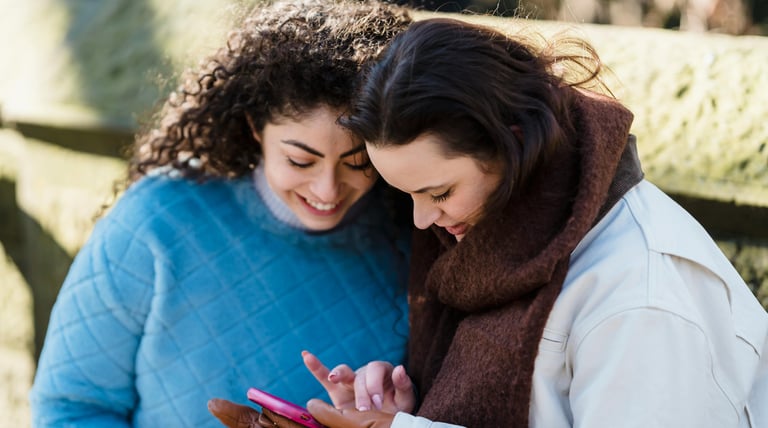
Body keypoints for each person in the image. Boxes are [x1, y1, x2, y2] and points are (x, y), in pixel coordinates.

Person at [298, 17, 768, 428]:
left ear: (512, 143)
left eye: (439, 193)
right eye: (408, 197)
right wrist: (410, 407)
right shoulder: (505, 242)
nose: (423, 221)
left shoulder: (640, 299)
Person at [28, 1, 414, 426]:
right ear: (254, 126)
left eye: (358, 162)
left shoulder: (416, 231)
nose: (328, 190)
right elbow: (70, 406)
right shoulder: (156, 219)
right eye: (300, 161)